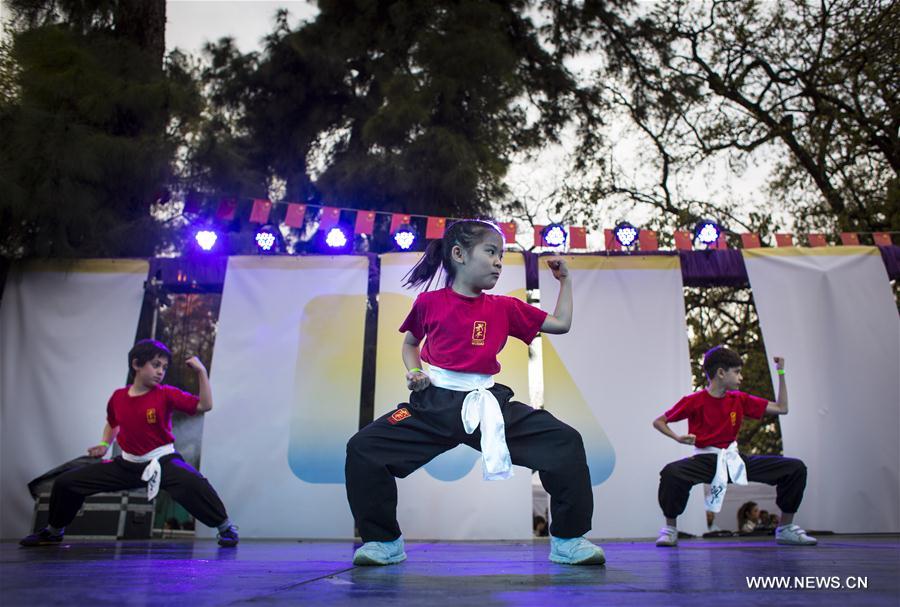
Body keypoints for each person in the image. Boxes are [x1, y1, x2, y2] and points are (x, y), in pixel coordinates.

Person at [344, 219, 604, 566]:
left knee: (564, 441)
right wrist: (416, 371)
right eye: (491, 252)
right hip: (430, 406)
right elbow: (410, 344)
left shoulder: (505, 307)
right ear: (459, 254)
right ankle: (383, 543)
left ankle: (569, 540)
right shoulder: (428, 303)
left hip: (488, 405)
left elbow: (561, 324)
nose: (499, 261)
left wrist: (566, 281)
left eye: (502, 255)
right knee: (363, 448)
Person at [20, 339, 238, 547]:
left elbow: (205, 405)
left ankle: (226, 527)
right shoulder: (118, 397)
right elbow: (112, 423)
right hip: (127, 464)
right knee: (66, 483)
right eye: (155, 365)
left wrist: (202, 372)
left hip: (162, 461)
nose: (161, 371)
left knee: (194, 483)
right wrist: (105, 445)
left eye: (164, 366)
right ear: (136, 364)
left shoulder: (166, 394)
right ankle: (54, 531)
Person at [651, 346, 816, 547]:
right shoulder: (694, 401)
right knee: (671, 473)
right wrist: (677, 438)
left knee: (795, 468)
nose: (741, 377)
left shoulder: (739, 399)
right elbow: (659, 421)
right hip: (706, 460)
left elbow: (782, 408)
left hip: (734, 459)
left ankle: (786, 528)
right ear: (721, 373)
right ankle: (670, 529)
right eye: (737, 372)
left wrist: (781, 372)